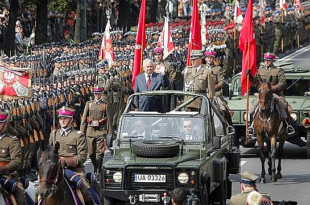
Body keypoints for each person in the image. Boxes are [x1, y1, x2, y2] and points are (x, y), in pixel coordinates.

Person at [49, 106, 92, 204]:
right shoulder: (54, 134)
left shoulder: (78, 135)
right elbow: (50, 153)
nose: (62, 121)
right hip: (56, 172)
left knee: (85, 190)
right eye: (60, 119)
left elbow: (82, 157)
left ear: (71, 119)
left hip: (75, 171)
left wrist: (65, 161)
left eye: (65, 118)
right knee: (40, 191)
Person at [247, 53, 295, 137]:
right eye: (265, 60)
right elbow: (257, 82)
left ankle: (288, 126)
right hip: (263, 95)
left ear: (272, 61)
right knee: (252, 109)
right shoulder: (261, 70)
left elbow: (282, 83)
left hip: (275, 94)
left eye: (268, 60)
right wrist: (250, 76)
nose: (266, 62)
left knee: (283, 108)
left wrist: (271, 89)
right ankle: (251, 127)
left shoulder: (278, 70)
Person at [0, 111, 27, 205]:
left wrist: (2, 169)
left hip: (8, 175)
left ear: (5, 124)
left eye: (0, 123)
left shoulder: (12, 140)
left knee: (21, 200)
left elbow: (16, 162)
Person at [204, 50, 234, 133]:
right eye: (208, 58)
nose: (210, 60)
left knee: (223, 109)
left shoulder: (218, 69)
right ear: (205, 59)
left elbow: (221, 82)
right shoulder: (202, 69)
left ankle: (229, 126)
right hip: (203, 94)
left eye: (211, 58)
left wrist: (213, 88)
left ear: (214, 59)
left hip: (215, 94)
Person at [80, 86, 108, 175]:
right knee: (91, 153)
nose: (97, 95)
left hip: (100, 131)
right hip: (90, 131)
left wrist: (109, 133)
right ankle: (96, 166)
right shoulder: (89, 104)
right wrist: (81, 132)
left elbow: (109, 119)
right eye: (96, 94)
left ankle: (98, 170)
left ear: (101, 95)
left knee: (100, 152)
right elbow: (84, 119)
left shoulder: (105, 105)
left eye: (99, 94)